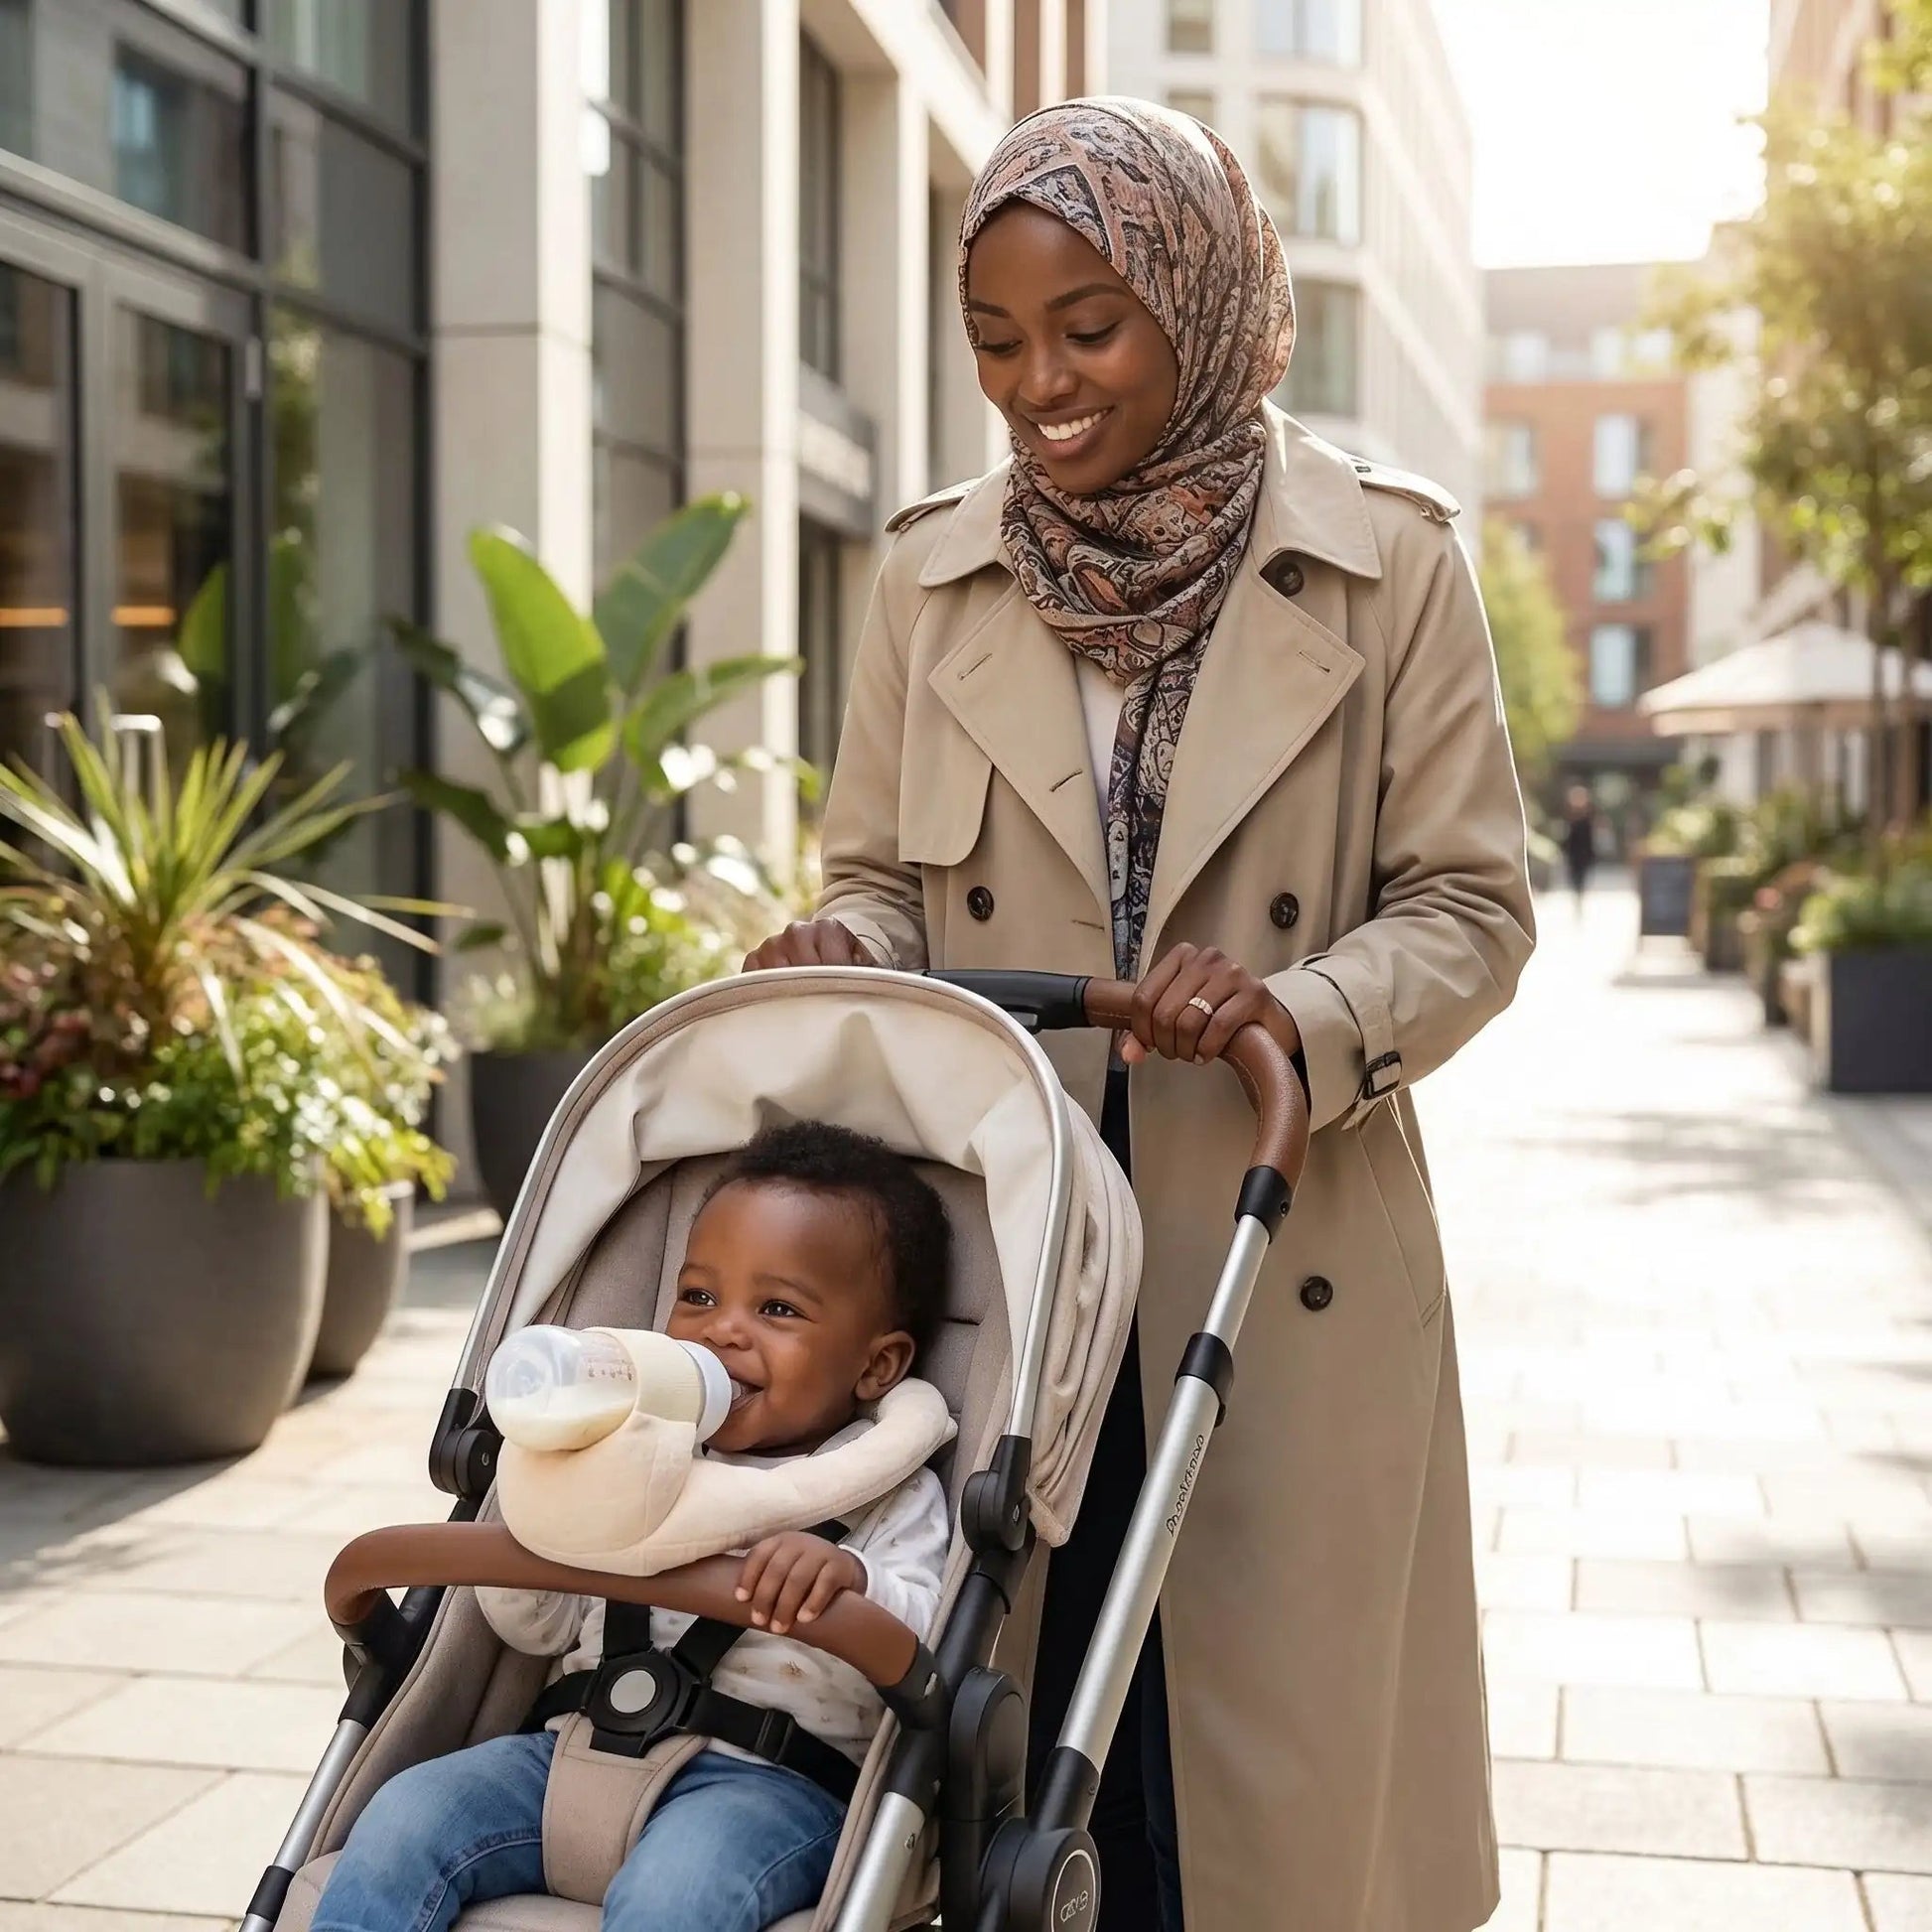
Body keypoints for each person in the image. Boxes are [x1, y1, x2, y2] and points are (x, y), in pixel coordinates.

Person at [744, 100, 1535, 1932]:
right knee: (1012, 1747)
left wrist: (1300, 1007)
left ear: (1198, 295)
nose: (1041, 386)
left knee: (1250, 1784)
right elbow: (874, 872)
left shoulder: (1391, 562)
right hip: (1006, 1264)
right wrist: (832, 940)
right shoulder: (930, 576)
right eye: (1000, 343)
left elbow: (1474, 910)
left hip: (1279, 1239)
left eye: (1089, 326)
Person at [310, 1122, 953, 1932]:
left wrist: (853, 1583)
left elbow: (932, 1643)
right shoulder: (633, 1454)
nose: (723, 1329)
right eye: (699, 1296)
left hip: (767, 1784)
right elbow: (538, 1627)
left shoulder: (882, 1487)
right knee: (406, 1814)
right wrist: (542, 1511)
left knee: (675, 1899)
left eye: (778, 1307)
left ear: (876, 1366)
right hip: (567, 1752)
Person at [1562, 783, 1598, 911]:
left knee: (1581, 879)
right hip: (1573, 854)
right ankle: (1577, 897)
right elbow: (1567, 838)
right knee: (1574, 878)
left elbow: (1591, 838)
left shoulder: (1589, 816)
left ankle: (1580, 897)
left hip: (1584, 854)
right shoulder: (1569, 816)